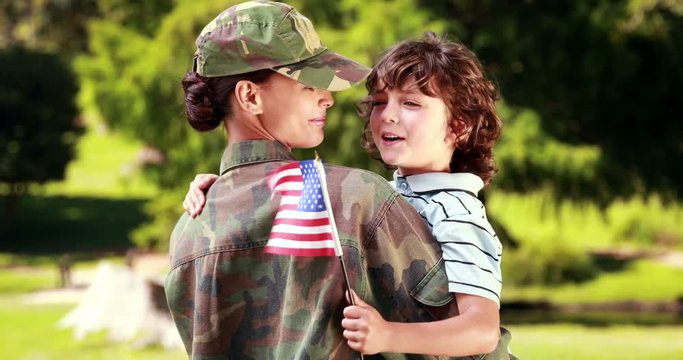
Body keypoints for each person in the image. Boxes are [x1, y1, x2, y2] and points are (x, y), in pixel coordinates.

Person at [165, 1, 465, 359]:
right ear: (250, 96)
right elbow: (466, 343)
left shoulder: (189, 230)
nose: (328, 98)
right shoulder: (354, 199)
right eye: (308, 84)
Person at [340, 32, 514, 357]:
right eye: (380, 102)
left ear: (458, 127)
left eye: (410, 103)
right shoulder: (386, 198)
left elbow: (481, 330)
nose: (388, 115)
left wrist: (387, 336)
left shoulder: (454, 212)